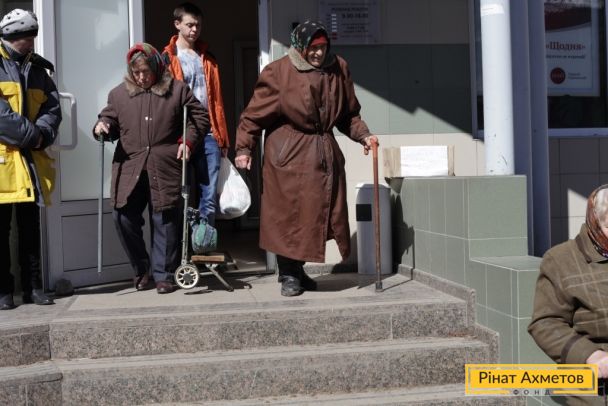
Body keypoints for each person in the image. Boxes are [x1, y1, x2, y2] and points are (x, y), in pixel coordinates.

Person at [234, 20, 378, 297]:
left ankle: (297, 271)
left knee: (315, 217)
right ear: (300, 46)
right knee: (289, 217)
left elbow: (349, 115)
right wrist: (243, 149)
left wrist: (364, 135)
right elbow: (252, 117)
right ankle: (288, 273)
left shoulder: (339, 68)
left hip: (322, 155)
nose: (318, 53)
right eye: (313, 47)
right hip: (288, 156)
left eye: (323, 47)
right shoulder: (278, 72)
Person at [93, 43, 209, 294]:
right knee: (122, 217)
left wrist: (188, 141)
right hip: (131, 166)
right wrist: (102, 126)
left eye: (146, 71)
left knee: (165, 221)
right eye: (136, 73)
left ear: (156, 67)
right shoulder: (118, 95)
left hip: (165, 165)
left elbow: (200, 118)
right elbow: (109, 118)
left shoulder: (177, 90)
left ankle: (164, 275)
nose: (141, 77)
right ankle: (141, 267)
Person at [0, 9, 62, 310]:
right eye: (28, 37)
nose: (32, 43)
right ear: (15, 37)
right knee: (1, 232)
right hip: (4, 164)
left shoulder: (38, 70)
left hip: (30, 163)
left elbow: (53, 108)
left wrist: (43, 134)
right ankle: (3, 291)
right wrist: (33, 136)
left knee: (30, 229)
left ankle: (33, 287)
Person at [528, 184, 608, 405]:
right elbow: (545, 323)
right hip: (595, 384)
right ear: (594, 221)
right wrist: (591, 355)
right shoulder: (561, 259)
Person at [162, 2, 230, 227]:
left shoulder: (207, 58)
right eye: (190, 25)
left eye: (198, 25)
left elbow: (217, 101)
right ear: (177, 24)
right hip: (180, 134)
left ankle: (204, 243)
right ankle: (183, 245)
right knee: (181, 195)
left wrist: (223, 137)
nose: (194, 29)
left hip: (208, 133)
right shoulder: (167, 58)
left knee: (208, 197)